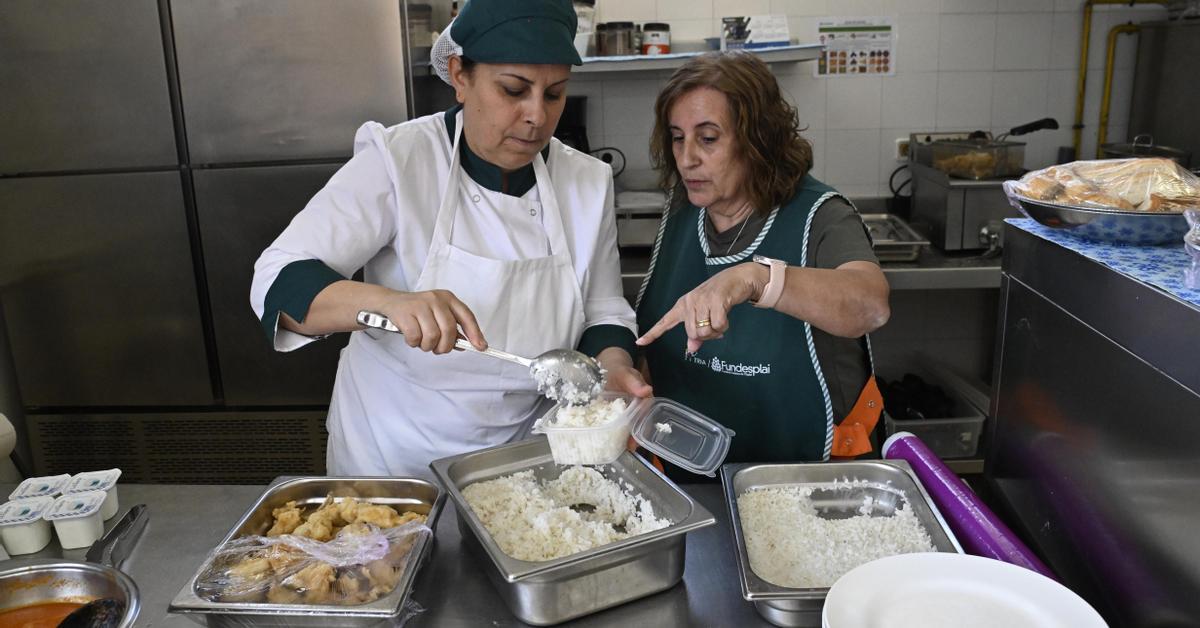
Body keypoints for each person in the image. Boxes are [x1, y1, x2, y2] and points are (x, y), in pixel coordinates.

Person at [250, 0, 650, 478]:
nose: (536, 117)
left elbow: (603, 308)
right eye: (513, 90)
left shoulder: (586, 181)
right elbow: (277, 279)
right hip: (395, 456)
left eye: (555, 94)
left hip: (529, 453)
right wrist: (389, 303)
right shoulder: (399, 160)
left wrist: (612, 371)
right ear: (460, 75)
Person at [634, 52, 890, 468]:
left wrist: (757, 279)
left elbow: (870, 305)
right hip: (690, 474)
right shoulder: (681, 213)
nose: (686, 158)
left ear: (759, 139)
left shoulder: (820, 215)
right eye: (677, 137)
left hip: (806, 477)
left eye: (709, 137)